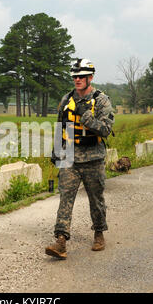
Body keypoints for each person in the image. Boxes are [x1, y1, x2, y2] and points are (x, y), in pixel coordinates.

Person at [46, 58, 115, 259]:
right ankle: (60, 240)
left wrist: (87, 117)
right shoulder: (66, 100)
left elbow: (106, 129)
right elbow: (60, 126)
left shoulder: (101, 100)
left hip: (93, 157)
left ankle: (99, 232)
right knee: (65, 197)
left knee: (96, 199)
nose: (77, 80)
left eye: (81, 77)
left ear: (90, 77)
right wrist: (56, 151)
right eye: (75, 76)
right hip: (69, 157)